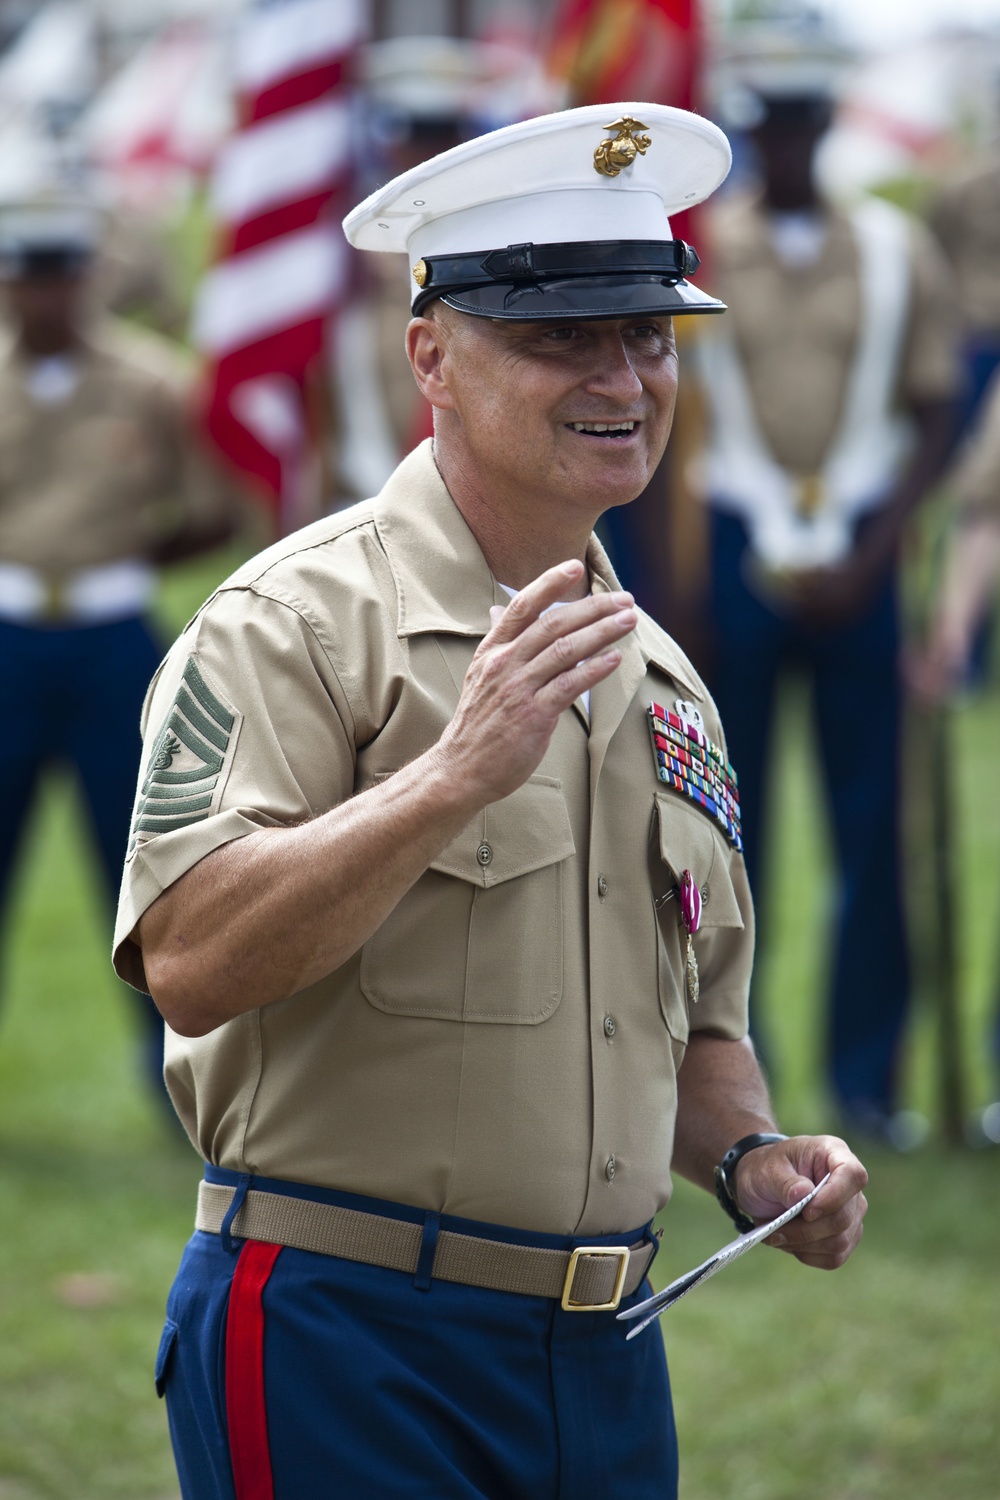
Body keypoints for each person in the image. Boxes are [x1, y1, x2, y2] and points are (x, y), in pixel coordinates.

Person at [114, 104, 868, 1499]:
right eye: (561, 337)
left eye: (649, 334)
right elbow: (192, 962)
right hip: (348, 1338)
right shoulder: (292, 622)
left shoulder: (663, 679)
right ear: (432, 358)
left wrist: (754, 1157)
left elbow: (694, 1030)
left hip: (605, 1355)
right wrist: (451, 780)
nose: (627, 378)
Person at [696, 83, 959, 1143]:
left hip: (865, 540)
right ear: (748, 131)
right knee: (716, 830)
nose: (786, 140)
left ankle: (865, 1079)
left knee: (873, 827)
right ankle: (724, 1081)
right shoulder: (700, 243)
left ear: (826, 128)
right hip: (728, 549)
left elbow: (937, 407)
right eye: (769, 123)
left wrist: (879, 550)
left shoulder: (896, 247)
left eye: (803, 122)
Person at [0, 196, 248, 1101]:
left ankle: (174, 1076)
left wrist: (123, 562)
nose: (43, 296)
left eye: (60, 275)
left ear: (87, 279)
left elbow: (213, 509)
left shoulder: (151, 380)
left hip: (111, 635)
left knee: (143, 868)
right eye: (27, 277)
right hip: (8, 634)